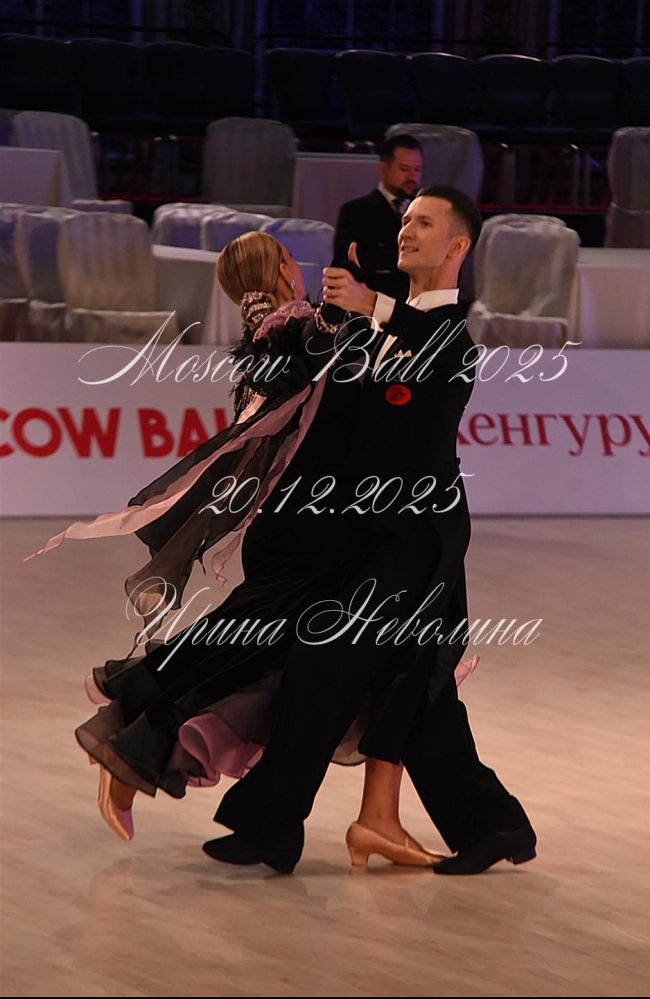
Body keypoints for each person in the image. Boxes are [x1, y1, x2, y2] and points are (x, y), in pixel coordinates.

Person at [27, 230, 476, 864]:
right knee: (242, 648)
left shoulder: (287, 331)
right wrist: (357, 314)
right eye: (292, 259)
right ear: (284, 270)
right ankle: (133, 746)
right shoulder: (301, 330)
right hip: (308, 532)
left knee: (278, 659)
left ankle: (347, 815)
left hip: (318, 525)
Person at [203, 185, 537, 876]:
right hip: (367, 533)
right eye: (406, 219)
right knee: (408, 688)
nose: (407, 230)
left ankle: (271, 827)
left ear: (458, 245)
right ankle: (494, 824)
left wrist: (372, 304)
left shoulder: (448, 336)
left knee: (326, 664)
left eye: (425, 222)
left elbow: (438, 353)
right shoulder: (377, 328)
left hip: (419, 538)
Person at [332, 134, 423, 301]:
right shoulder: (355, 211)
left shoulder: (427, 212)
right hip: (371, 303)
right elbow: (345, 262)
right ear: (383, 168)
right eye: (404, 169)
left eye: (417, 170)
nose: (412, 177)